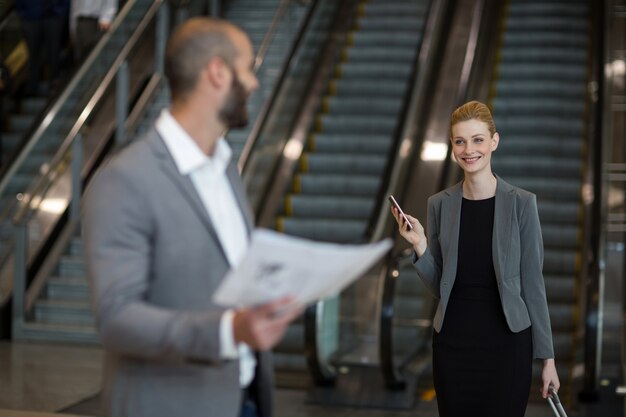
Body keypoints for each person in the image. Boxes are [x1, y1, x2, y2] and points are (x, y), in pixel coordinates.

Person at [82, 17, 302, 417]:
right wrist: (228, 330)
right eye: (247, 68)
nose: (253, 83)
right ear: (217, 72)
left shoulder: (227, 169)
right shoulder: (124, 179)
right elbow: (117, 318)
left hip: (244, 399)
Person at [391, 100, 560, 417]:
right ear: (452, 146)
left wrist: (547, 359)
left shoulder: (522, 203)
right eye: (460, 141)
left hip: (508, 346)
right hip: (453, 345)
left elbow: (533, 284)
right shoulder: (439, 204)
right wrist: (420, 245)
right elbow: (440, 285)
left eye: (478, 139)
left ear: (494, 141)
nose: (469, 149)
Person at [15, 0, 69, 96]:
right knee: (33, 54)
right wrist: (22, 12)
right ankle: (32, 87)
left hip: (54, 14)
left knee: (54, 51)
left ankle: (54, 83)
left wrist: (61, 10)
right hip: (31, 15)